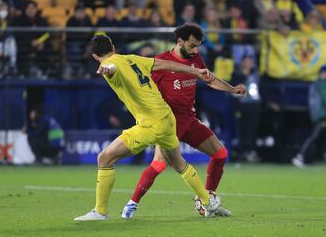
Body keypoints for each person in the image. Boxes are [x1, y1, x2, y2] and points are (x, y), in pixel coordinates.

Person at [74, 34, 222, 221]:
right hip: (167, 118)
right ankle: (208, 201)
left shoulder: (112, 64)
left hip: (151, 124)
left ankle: (100, 212)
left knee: (104, 158)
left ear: (95, 56)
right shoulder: (133, 59)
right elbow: (167, 64)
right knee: (179, 164)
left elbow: (111, 67)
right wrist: (196, 71)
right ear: (113, 46)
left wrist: (106, 68)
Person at [121, 24, 246, 219]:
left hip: (189, 119)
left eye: (198, 47)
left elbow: (209, 79)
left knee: (220, 154)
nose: (195, 50)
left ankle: (208, 201)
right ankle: (131, 204)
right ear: (180, 41)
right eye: (192, 46)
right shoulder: (161, 62)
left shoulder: (195, 59)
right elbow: (145, 90)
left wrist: (232, 89)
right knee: (159, 164)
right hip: (168, 122)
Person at [292, 65, 326, 168]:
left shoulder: (315, 84)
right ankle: (300, 156)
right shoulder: (323, 84)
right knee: (314, 136)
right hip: (322, 114)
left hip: (315, 113)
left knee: (324, 135)